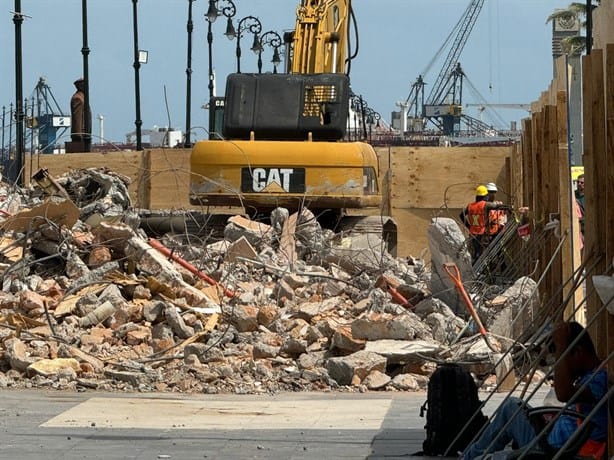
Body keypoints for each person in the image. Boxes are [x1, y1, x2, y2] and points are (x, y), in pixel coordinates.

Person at [461, 321, 608, 459]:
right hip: (550, 441)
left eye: (562, 360)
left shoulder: (600, 378)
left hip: (555, 451)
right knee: (513, 406)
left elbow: (564, 394)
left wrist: (561, 345)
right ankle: (471, 456)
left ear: (578, 352)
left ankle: (470, 457)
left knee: (511, 408)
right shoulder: (589, 376)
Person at [460, 185, 510, 264]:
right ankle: (481, 271)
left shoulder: (470, 206)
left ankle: (475, 270)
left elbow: (461, 215)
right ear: (485, 196)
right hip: (482, 233)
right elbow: (497, 206)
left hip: (473, 233)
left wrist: (468, 226)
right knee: (484, 253)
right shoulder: (485, 204)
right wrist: (510, 207)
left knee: (475, 253)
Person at [70, 77, 91, 144]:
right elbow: (77, 118)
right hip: (82, 135)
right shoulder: (78, 99)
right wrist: (78, 135)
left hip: (85, 134)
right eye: (86, 85)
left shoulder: (83, 97)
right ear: (81, 86)